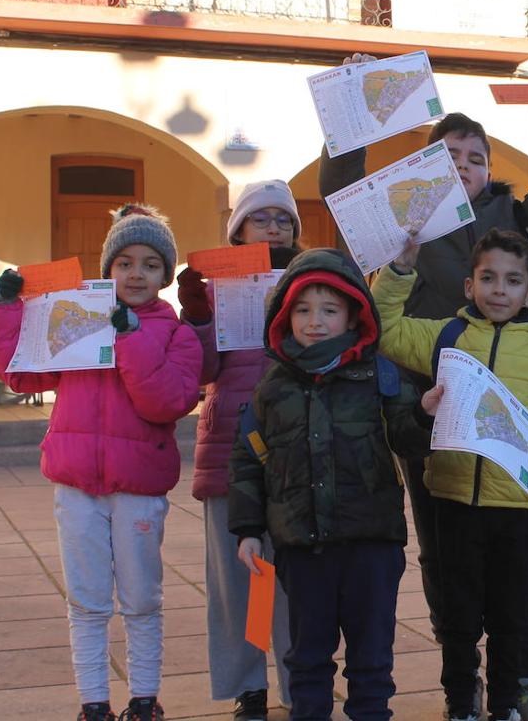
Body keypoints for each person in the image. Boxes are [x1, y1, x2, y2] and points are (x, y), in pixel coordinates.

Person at [319, 53, 528, 720]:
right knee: (446, 555)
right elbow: (340, 188)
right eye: (451, 154)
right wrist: (352, 108)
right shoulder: (402, 215)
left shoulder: (515, 220)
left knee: (517, 563)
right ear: (430, 165)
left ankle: (518, 680)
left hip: (508, 419)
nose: (464, 164)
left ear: (489, 168)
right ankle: (460, 684)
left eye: (475, 155)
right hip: (427, 411)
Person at [372, 227, 528, 721]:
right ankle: (461, 700)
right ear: (469, 286)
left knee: (515, 615)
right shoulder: (446, 336)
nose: (499, 289)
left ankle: (505, 702)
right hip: (453, 500)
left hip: (517, 509)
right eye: (488, 278)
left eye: (512, 280)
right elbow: (386, 328)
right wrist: (399, 272)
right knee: (458, 614)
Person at [0, 205, 202, 721]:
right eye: (124, 262)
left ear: (165, 276)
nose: (136, 274)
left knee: (142, 597)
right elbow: (20, 370)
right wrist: (2, 307)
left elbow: (165, 402)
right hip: (76, 483)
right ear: (108, 270)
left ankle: (144, 697)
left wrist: (129, 338)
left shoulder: (175, 334)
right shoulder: (74, 321)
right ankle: (93, 702)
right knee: (86, 599)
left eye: (150, 264)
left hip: (138, 487)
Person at [227, 247, 433, 721]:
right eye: (302, 309)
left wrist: (423, 414)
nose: (314, 320)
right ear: (284, 315)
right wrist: (248, 529)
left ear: (353, 314)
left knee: (372, 658)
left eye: (328, 309)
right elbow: (247, 460)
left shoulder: (380, 374)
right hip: (303, 548)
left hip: (371, 546)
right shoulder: (273, 388)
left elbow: (407, 438)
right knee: (308, 658)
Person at [176, 180, 302, 720]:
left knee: (297, 579)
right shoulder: (216, 287)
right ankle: (247, 684)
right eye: (261, 217)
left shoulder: (311, 277)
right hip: (230, 443)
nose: (273, 226)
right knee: (239, 580)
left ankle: (302, 682)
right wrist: (198, 316)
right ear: (238, 230)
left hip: (298, 444)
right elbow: (202, 371)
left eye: (283, 218)